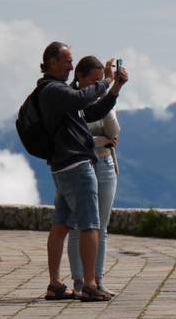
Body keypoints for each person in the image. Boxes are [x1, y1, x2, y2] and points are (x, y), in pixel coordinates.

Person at [38, 41, 127, 302]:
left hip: (65, 164)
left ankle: (55, 284)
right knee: (90, 225)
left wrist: (115, 89)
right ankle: (89, 284)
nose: (71, 65)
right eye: (67, 61)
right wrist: (106, 83)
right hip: (76, 165)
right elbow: (84, 100)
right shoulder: (54, 90)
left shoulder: (59, 92)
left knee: (62, 224)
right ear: (52, 62)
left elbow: (93, 110)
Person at [66, 56, 121, 298]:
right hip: (82, 165)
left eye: (102, 80)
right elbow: (80, 137)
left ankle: (97, 280)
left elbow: (115, 132)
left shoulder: (102, 99)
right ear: (80, 77)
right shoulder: (72, 101)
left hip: (106, 163)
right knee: (80, 225)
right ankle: (79, 281)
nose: (99, 84)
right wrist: (101, 140)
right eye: (94, 80)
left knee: (102, 226)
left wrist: (105, 96)